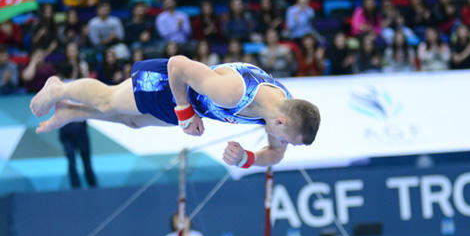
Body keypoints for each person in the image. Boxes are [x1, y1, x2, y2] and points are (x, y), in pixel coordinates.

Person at [30, 56, 321, 168]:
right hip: (170, 85)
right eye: (288, 139)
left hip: (193, 105)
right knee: (108, 100)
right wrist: (184, 112)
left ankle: (72, 112)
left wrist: (247, 158)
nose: (284, 144)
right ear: (281, 121)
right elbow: (178, 66)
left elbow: (276, 155)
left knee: (132, 122)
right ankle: (59, 89)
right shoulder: (232, 92)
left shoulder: (283, 111)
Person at [58, 121, 98, 189]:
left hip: (79, 130)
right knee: (72, 163)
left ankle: (93, 186)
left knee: (86, 162)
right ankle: (76, 188)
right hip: (68, 131)